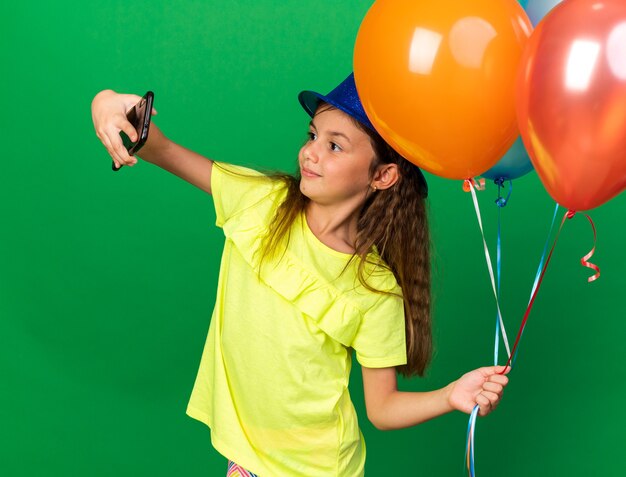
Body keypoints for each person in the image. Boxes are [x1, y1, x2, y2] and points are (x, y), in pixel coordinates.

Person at [91, 73, 509, 477]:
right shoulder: (260, 202)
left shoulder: (376, 289)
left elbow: (382, 411)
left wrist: (451, 395)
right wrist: (106, 102)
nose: (311, 153)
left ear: (382, 175)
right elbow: (159, 149)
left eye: (335, 146)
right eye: (312, 136)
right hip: (250, 461)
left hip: (322, 469)